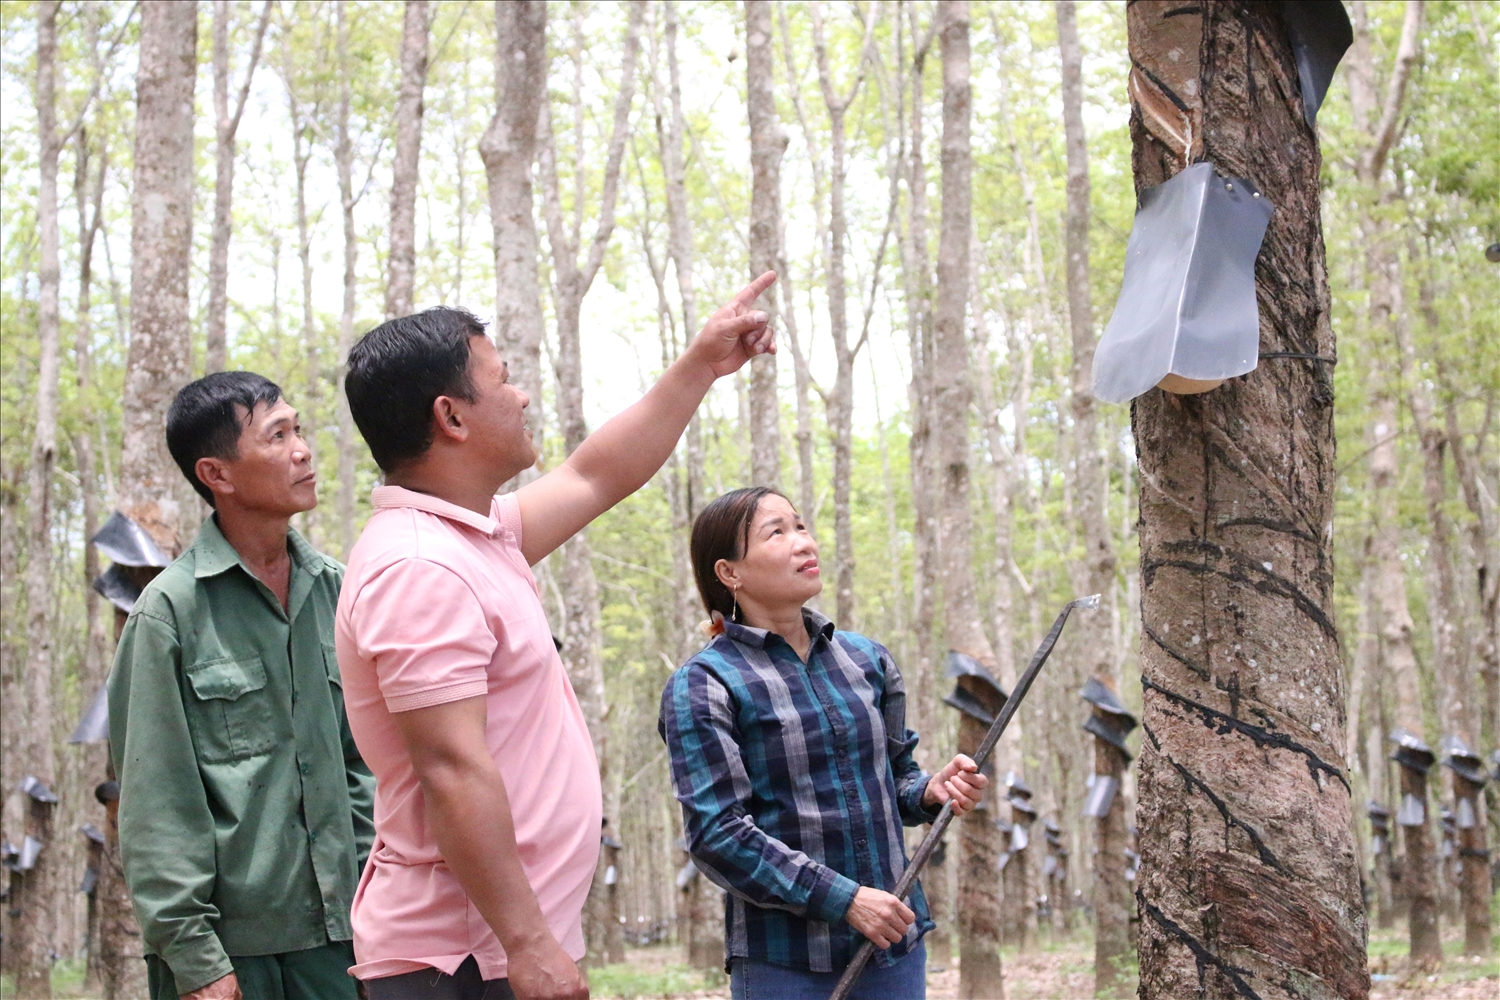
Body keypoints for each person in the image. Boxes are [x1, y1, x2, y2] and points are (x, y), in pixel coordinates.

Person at [335, 273, 777, 1000]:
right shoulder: (418, 567)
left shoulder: (473, 538)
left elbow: (597, 475)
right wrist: (526, 943)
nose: (522, 395)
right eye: (503, 380)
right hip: (463, 961)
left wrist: (701, 363)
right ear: (451, 415)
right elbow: (451, 769)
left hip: (495, 950)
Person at [659, 487, 988, 1000]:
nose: (803, 543)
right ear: (730, 573)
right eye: (777, 532)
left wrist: (930, 791)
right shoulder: (705, 684)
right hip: (785, 963)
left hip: (893, 947)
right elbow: (717, 834)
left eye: (801, 526)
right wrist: (846, 900)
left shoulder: (866, 661)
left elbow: (895, 776)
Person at [109, 372, 376, 1000]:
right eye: (276, 436)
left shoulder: (341, 592)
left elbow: (368, 763)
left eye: (299, 430)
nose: (302, 449)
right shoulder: (167, 614)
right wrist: (196, 959)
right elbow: (155, 802)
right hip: (231, 957)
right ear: (217, 474)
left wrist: (378, 916)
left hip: (350, 944)